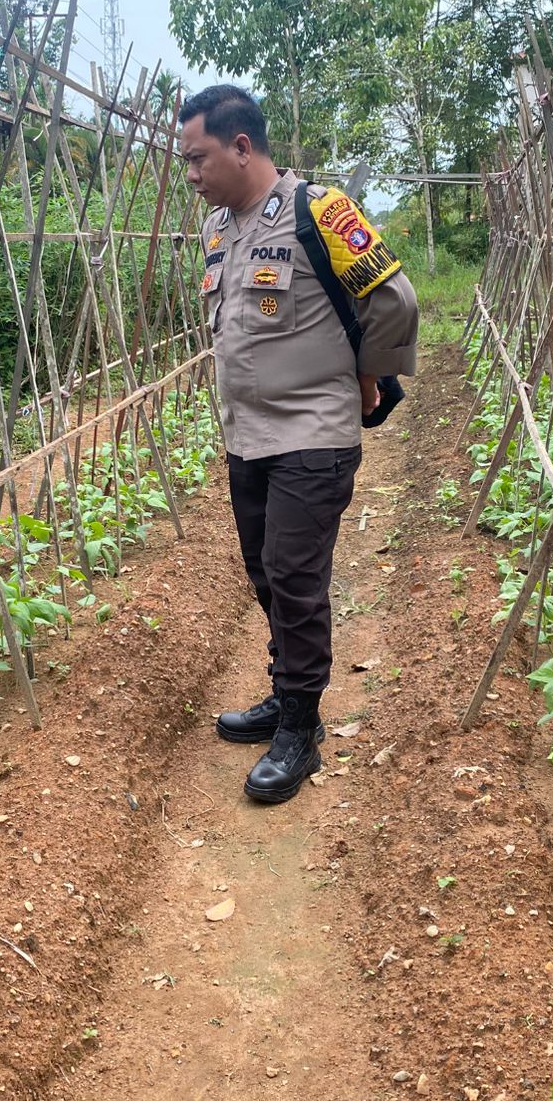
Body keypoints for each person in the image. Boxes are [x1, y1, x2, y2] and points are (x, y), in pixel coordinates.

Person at [178, 84, 419, 804]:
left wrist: (367, 376)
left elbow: (395, 300)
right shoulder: (219, 229)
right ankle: (288, 693)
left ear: (241, 146)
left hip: (313, 432)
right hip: (247, 436)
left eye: (198, 158)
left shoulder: (321, 210)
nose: (191, 174)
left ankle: (300, 730)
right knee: (264, 572)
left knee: (294, 576)